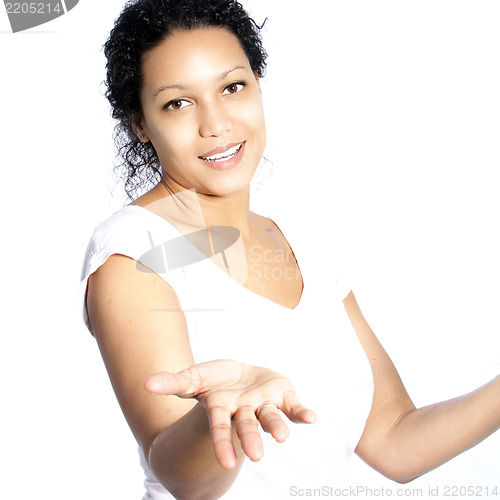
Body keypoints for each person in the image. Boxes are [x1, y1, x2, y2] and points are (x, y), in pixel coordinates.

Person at [80, 0, 500, 498]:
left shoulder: (306, 246)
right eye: (178, 102)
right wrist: (221, 418)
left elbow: (393, 441)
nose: (216, 123)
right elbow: (183, 479)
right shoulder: (133, 255)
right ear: (140, 123)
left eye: (232, 87)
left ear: (258, 86)